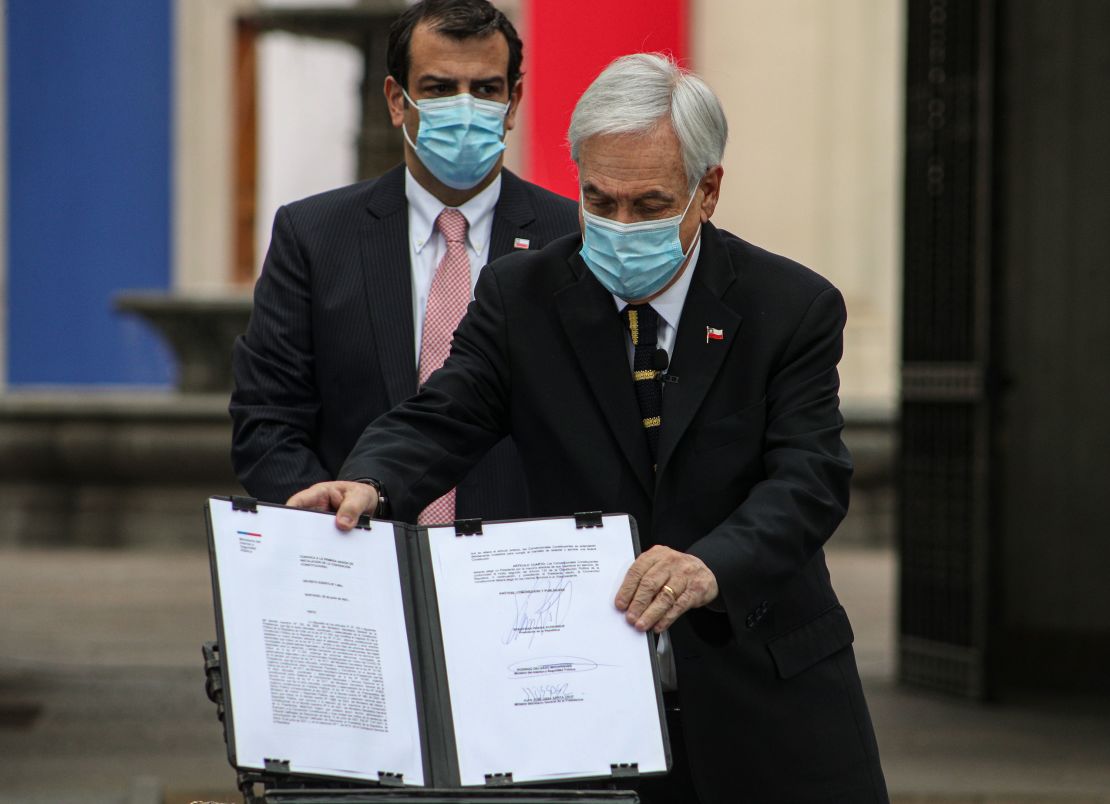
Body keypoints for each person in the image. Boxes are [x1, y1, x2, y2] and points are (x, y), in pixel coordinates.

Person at [289, 53, 889, 803]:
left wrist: (710, 565)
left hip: (767, 696)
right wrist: (368, 480)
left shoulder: (791, 306)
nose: (619, 226)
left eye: (648, 204)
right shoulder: (522, 294)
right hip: (582, 701)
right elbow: (446, 412)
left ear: (708, 191)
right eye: (598, 201)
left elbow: (809, 477)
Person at [230, 0, 578, 520]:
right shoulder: (313, 236)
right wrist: (331, 518)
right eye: (439, 88)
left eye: (485, 89)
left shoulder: (571, 239)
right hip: (358, 556)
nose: (465, 109)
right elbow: (267, 419)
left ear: (513, 102)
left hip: (522, 573)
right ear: (397, 100)